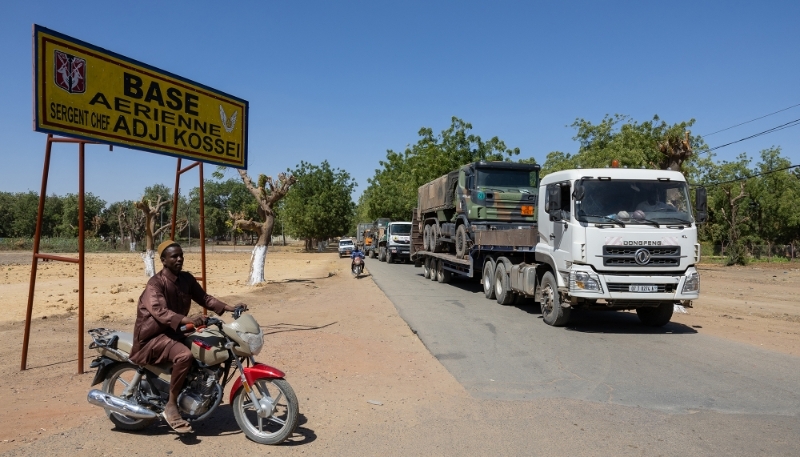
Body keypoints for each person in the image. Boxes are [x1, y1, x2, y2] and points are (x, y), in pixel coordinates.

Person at [129, 240, 242, 434]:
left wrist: (231, 308)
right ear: (164, 260)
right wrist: (189, 319)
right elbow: (160, 312)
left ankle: (196, 392)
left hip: (176, 331)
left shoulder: (186, 279)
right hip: (154, 336)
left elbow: (205, 298)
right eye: (174, 256)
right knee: (184, 356)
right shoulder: (155, 284)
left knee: (212, 348)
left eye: (181, 255)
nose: (179, 259)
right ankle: (171, 405)